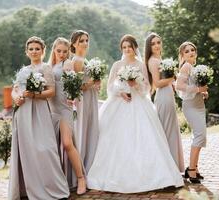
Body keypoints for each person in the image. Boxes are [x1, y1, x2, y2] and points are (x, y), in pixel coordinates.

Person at [87, 34, 184, 193]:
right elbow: (109, 87)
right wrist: (121, 92)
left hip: (139, 102)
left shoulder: (141, 64)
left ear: (134, 48)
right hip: (120, 103)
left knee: (147, 137)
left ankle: (158, 176)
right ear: (122, 49)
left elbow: (147, 88)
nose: (127, 50)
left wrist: (135, 85)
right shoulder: (117, 65)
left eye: (129, 47)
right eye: (124, 47)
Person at [9, 36, 69, 199]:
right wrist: (16, 97)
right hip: (22, 112)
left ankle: (50, 186)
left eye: (37, 49)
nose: (34, 51)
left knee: (45, 148)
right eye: (31, 49)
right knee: (26, 149)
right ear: (26, 52)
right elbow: (14, 89)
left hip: (39, 111)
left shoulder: (46, 68)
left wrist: (34, 94)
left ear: (43, 51)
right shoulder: (23, 70)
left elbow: (51, 92)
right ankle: (25, 189)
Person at [48, 37, 86, 194]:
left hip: (64, 108)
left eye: (65, 51)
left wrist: (72, 94)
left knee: (67, 143)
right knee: (50, 147)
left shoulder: (67, 64)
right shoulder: (49, 65)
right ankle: (56, 180)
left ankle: (81, 178)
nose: (62, 54)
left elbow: (74, 83)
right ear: (54, 50)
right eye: (59, 51)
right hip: (50, 108)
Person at [144, 33, 184, 172]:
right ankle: (167, 169)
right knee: (167, 131)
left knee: (171, 129)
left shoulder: (159, 58)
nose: (156, 45)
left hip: (168, 95)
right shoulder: (153, 61)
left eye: (158, 42)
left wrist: (171, 82)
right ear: (149, 46)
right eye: (153, 43)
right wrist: (172, 77)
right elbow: (157, 83)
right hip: (163, 97)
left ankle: (172, 166)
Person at [176, 41, 208, 184]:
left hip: (199, 104)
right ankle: (192, 170)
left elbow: (194, 87)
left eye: (192, 50)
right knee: (200, 136)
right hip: (191, 106)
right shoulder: (187, 66)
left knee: (200, 136)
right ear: (182, 55)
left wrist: (203, 92)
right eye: (187, 51)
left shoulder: (194, 67)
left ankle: (193, 168)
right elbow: (179, 86)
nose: (191, 52)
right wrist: (198, 90)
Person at [70, 30, 100, 173]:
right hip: (82, 100)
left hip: (91, 98)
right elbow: (77, 86)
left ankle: (90, 165)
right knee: (82, 129)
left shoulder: (85, 60)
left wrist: (96, 83)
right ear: (74, 43)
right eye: (81, 40)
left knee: (90, 129)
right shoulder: (76, 61)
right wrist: (92, 82)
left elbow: (88, 83)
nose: (85, 43)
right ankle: (81, 168)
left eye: (86, 40)